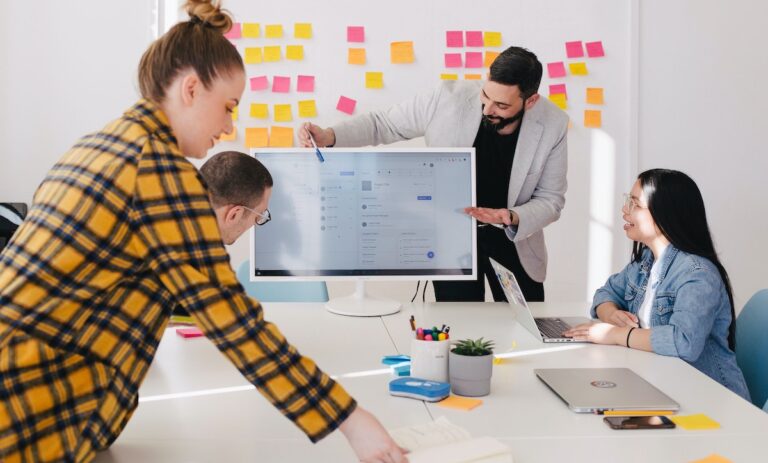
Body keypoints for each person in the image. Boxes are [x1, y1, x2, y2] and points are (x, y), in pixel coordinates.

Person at [0, 1, 405, 462]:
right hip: (30, 410)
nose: (229, 126)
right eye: (228, 107)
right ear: (191, 89)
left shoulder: (98, 144)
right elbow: (233, 322)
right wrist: (350, 420)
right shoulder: (156, 171)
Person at [300, 46, 568, 303]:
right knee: (459, 332)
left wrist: (511, 217)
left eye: (501, 105)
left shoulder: (553, 123)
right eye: (485, 97)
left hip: (514, 240)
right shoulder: (446, 97)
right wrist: (330, 136)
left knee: (527, 332)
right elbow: (384, 124)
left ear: (530, 101)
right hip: (451, 239)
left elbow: (551, 199)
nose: (487, 109)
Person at [563, 169, 750, 401]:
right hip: (663, 384)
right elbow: (606, 293)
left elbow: (683, 342)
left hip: (711, 399)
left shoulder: (698, 274)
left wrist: (616, 334)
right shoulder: (646, 262)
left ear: (666, 214)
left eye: (635, 204)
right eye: (627, 202)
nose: (624, 210)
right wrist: (611, 314)